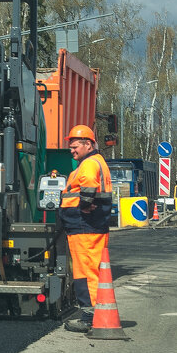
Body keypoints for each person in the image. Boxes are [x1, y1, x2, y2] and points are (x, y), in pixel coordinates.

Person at [58, 124, 113, 333]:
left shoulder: (89, 164)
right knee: (91, 269)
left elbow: (89, 186)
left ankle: (89, 317)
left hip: (85, 225)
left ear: (88, 144)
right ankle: (93, 314)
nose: (72, 151)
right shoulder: (96, 162)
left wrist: (85, 203)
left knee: (85, 271)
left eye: (75, 147)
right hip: (88, 226)